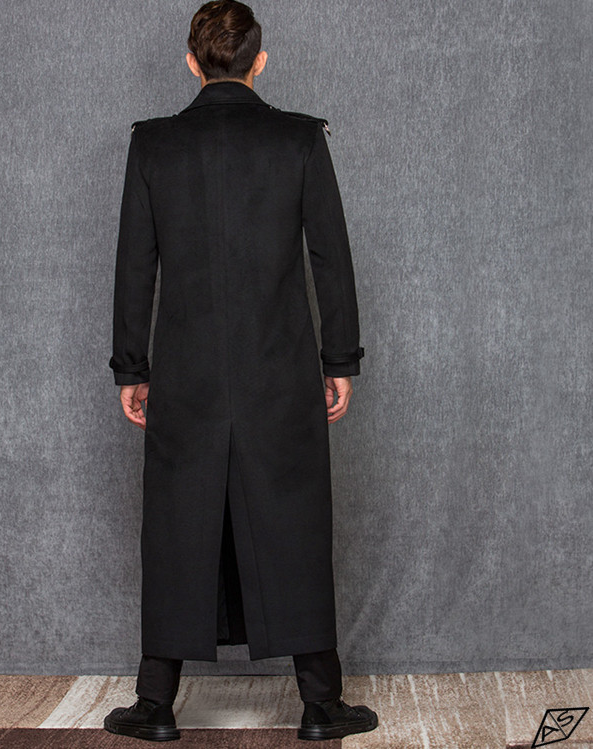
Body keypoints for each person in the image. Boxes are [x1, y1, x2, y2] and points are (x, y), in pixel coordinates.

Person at [104, 0, 377, 741]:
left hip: (186, 374)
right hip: (278, 370)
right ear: (260, 60)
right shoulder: (299, 140)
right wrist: (339, 360)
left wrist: (132, 367)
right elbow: (331, 259)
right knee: (293, 522)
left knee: (177, 526)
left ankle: (155, 705)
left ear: (192, 63)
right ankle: (321, 704)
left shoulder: (153, 146)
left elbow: (135, 267)